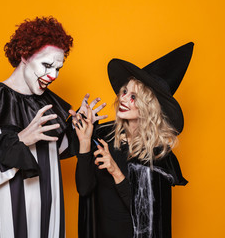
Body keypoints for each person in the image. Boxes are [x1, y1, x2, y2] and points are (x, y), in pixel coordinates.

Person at [0, 16, 106, 238]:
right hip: (9, 224)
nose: (53, 76)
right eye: (47, 65)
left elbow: (55, 152)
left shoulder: (49, 103)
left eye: (58, 68)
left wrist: (80, 128)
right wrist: (20, 142)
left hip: (50, 221)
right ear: (24, 56)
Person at [72, 42, 194, 238]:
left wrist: (115, 171)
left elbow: (147, 217)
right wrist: (85, 142)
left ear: (150, 107)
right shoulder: (104, 135)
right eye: (125, 92)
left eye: (134, 97)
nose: (123, 99)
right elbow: (84, 189)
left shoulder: (158, 155)